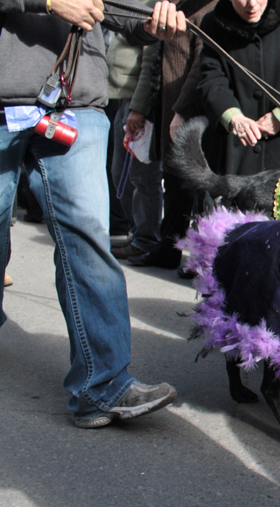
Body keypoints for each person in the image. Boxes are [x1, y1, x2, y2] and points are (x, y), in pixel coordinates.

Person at [0, 0, 185, 428]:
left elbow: (125, 12)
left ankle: (103, 387)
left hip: (75, 102)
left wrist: (153, 24)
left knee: (88, 237)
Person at [127, 0, 219, 272]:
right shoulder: (180, 6)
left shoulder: (207, 9)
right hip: (170, 107)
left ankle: (201, 259)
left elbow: (203, 64)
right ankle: (168, 249)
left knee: (198, 189)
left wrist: (182, 110)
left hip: (190, 112)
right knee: (176, 185)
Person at [196, 0, 280, 178]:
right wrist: (233, 117)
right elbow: (212, 79)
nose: (252, 4)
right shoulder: (214, 23)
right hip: (239, 157)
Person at [106, 9, 164, 260]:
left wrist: (139, 107)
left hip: (136, 103)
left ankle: (146, 239)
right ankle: (138, 234)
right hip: (119, 98)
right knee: (120, 173)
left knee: (142, 176)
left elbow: (150, 62)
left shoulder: (151, 6)